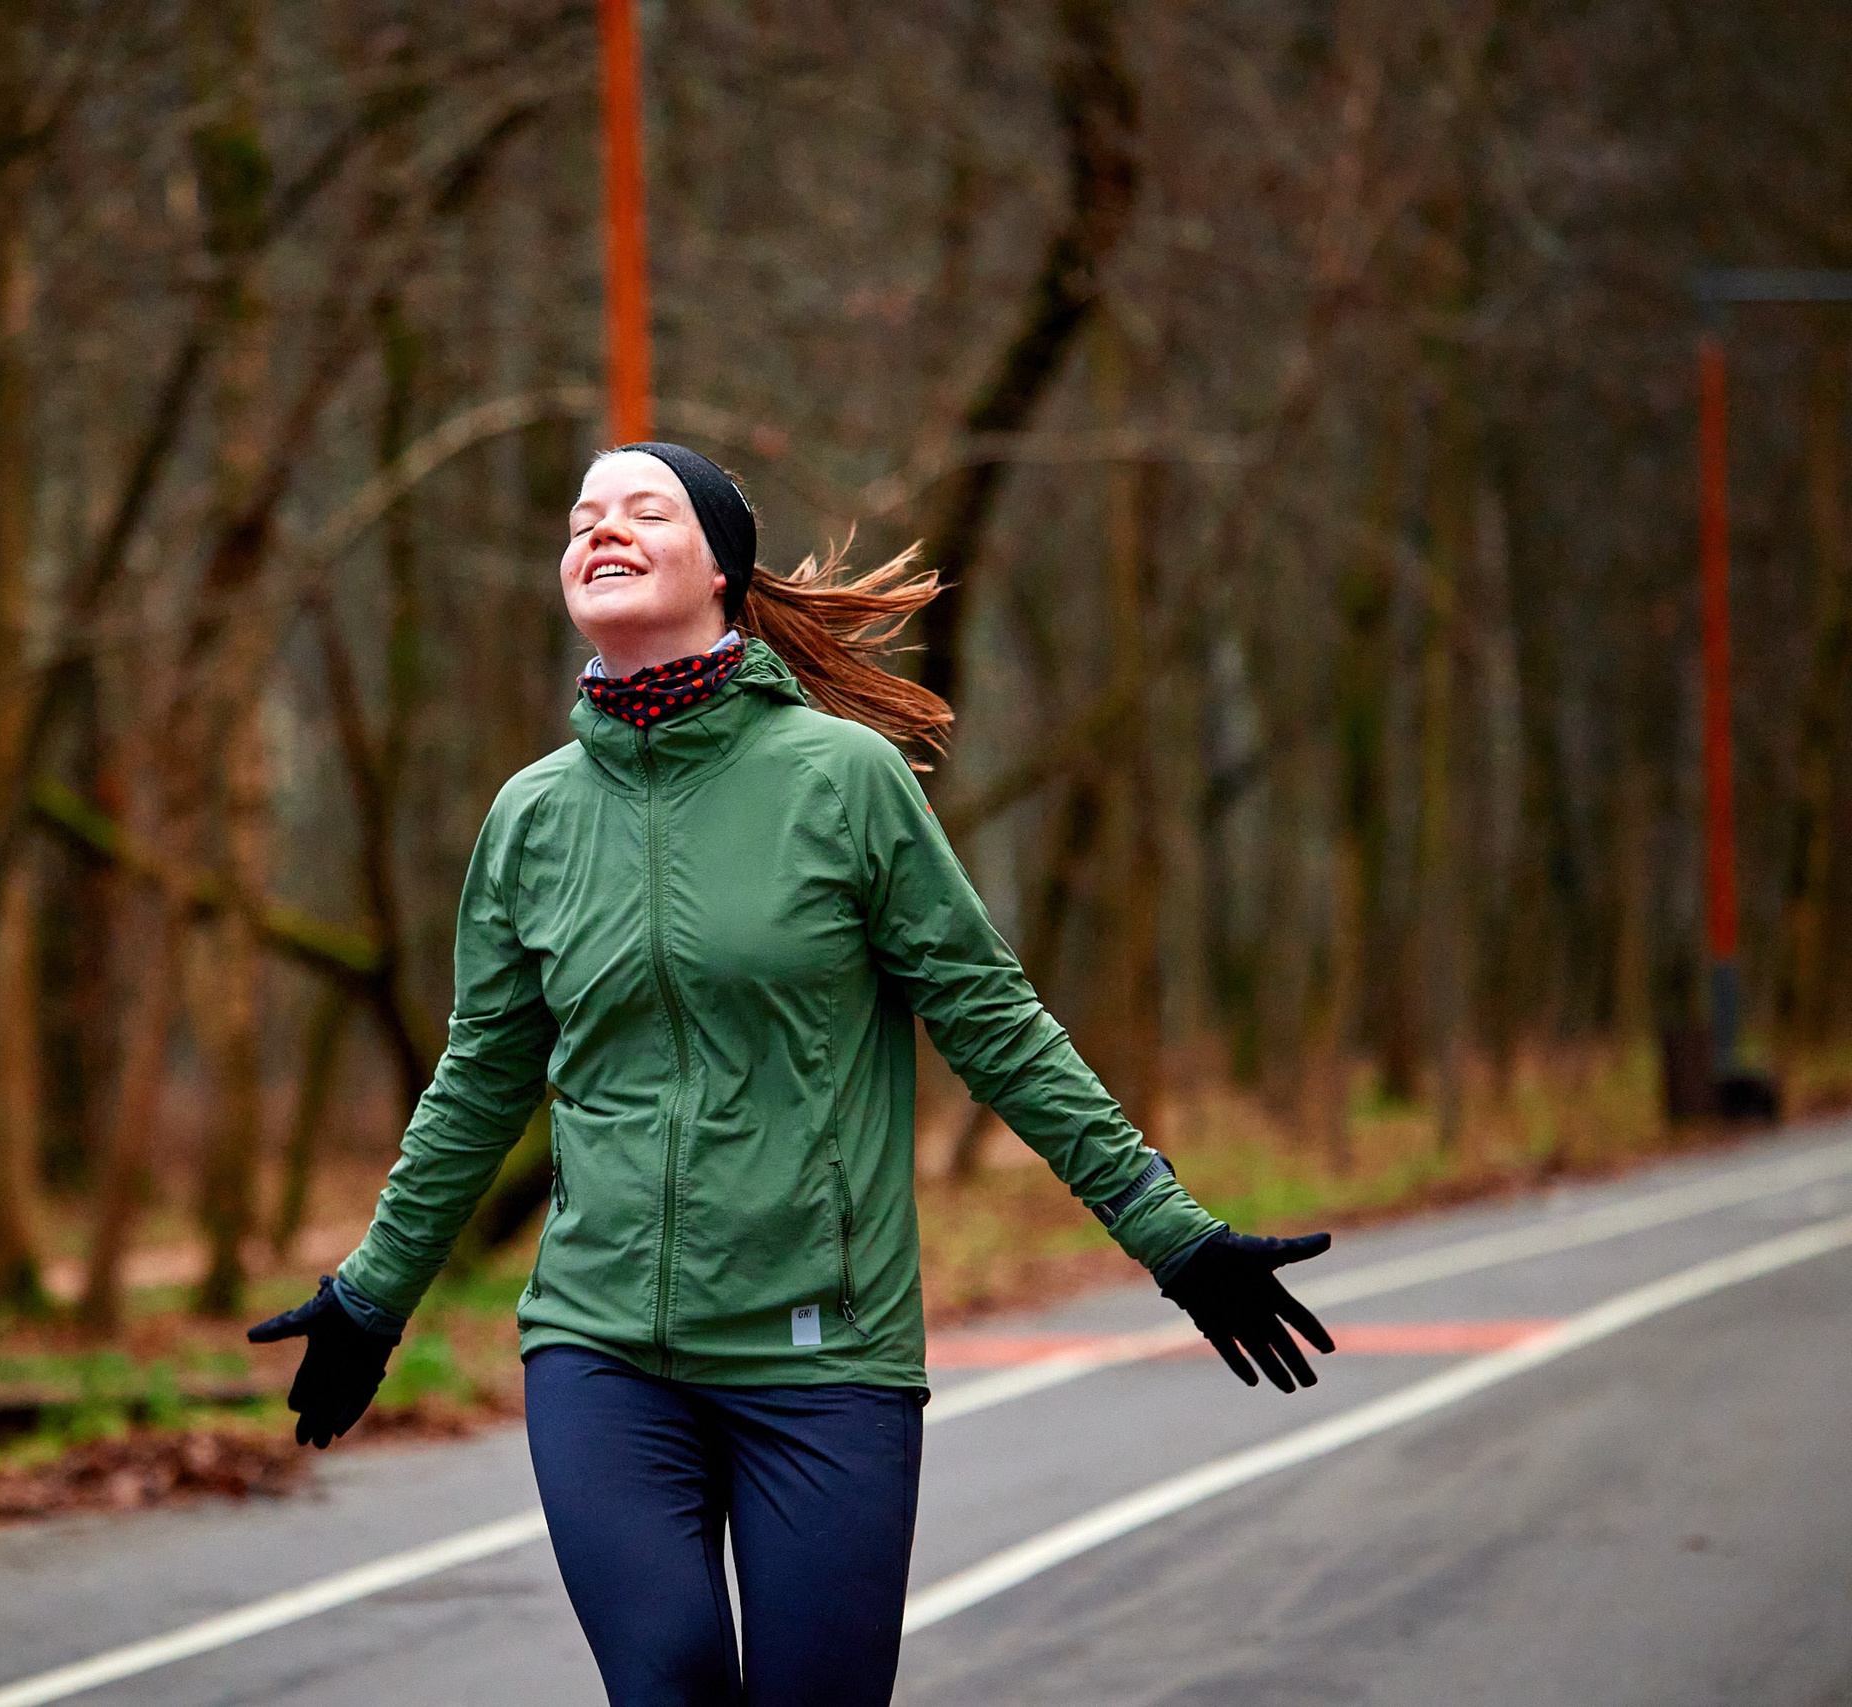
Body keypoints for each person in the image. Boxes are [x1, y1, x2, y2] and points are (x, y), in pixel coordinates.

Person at [249, 442, 1335, 1707]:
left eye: (642, 510)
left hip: (824, 1355)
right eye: (580, 516)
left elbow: (995, 1023)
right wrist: (375, 1293)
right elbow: (482, 1079)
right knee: (672, 1683)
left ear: (719, 564)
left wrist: (1169, 1233)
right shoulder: (530, 819)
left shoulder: (843, 783)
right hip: (602, 1351)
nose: (600, 529)